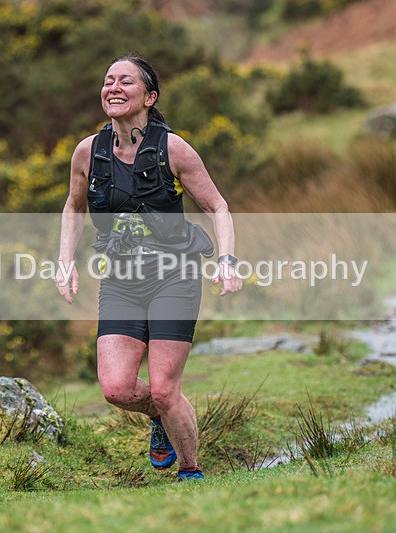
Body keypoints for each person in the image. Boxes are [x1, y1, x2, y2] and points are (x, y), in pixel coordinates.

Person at [55, 54, 242, 482]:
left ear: (149, 96)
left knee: (163, 387)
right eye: (108, 81)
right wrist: (65, 262)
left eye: (126, 82)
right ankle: (160, 417)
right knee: (117, 389)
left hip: (174, 276)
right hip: (120, 280)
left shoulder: (172, 148)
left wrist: (228, 260)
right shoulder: (88, 151)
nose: (114, 88)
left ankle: (190, 471)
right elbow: (73, 206)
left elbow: (217, 206)